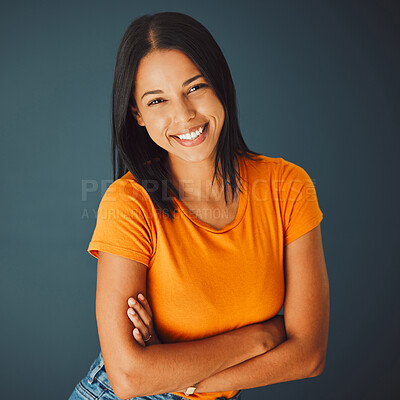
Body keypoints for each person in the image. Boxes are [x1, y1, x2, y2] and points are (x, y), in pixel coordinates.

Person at [68, 11, 329, 400]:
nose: (184, 115)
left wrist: (186, 379)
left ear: (220, 84)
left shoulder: (288, 187)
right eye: (157, 100)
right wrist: (260, 337)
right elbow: (129, 379)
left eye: (195, 87)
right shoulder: (129, 203)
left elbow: (308, 355)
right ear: (137, 115)